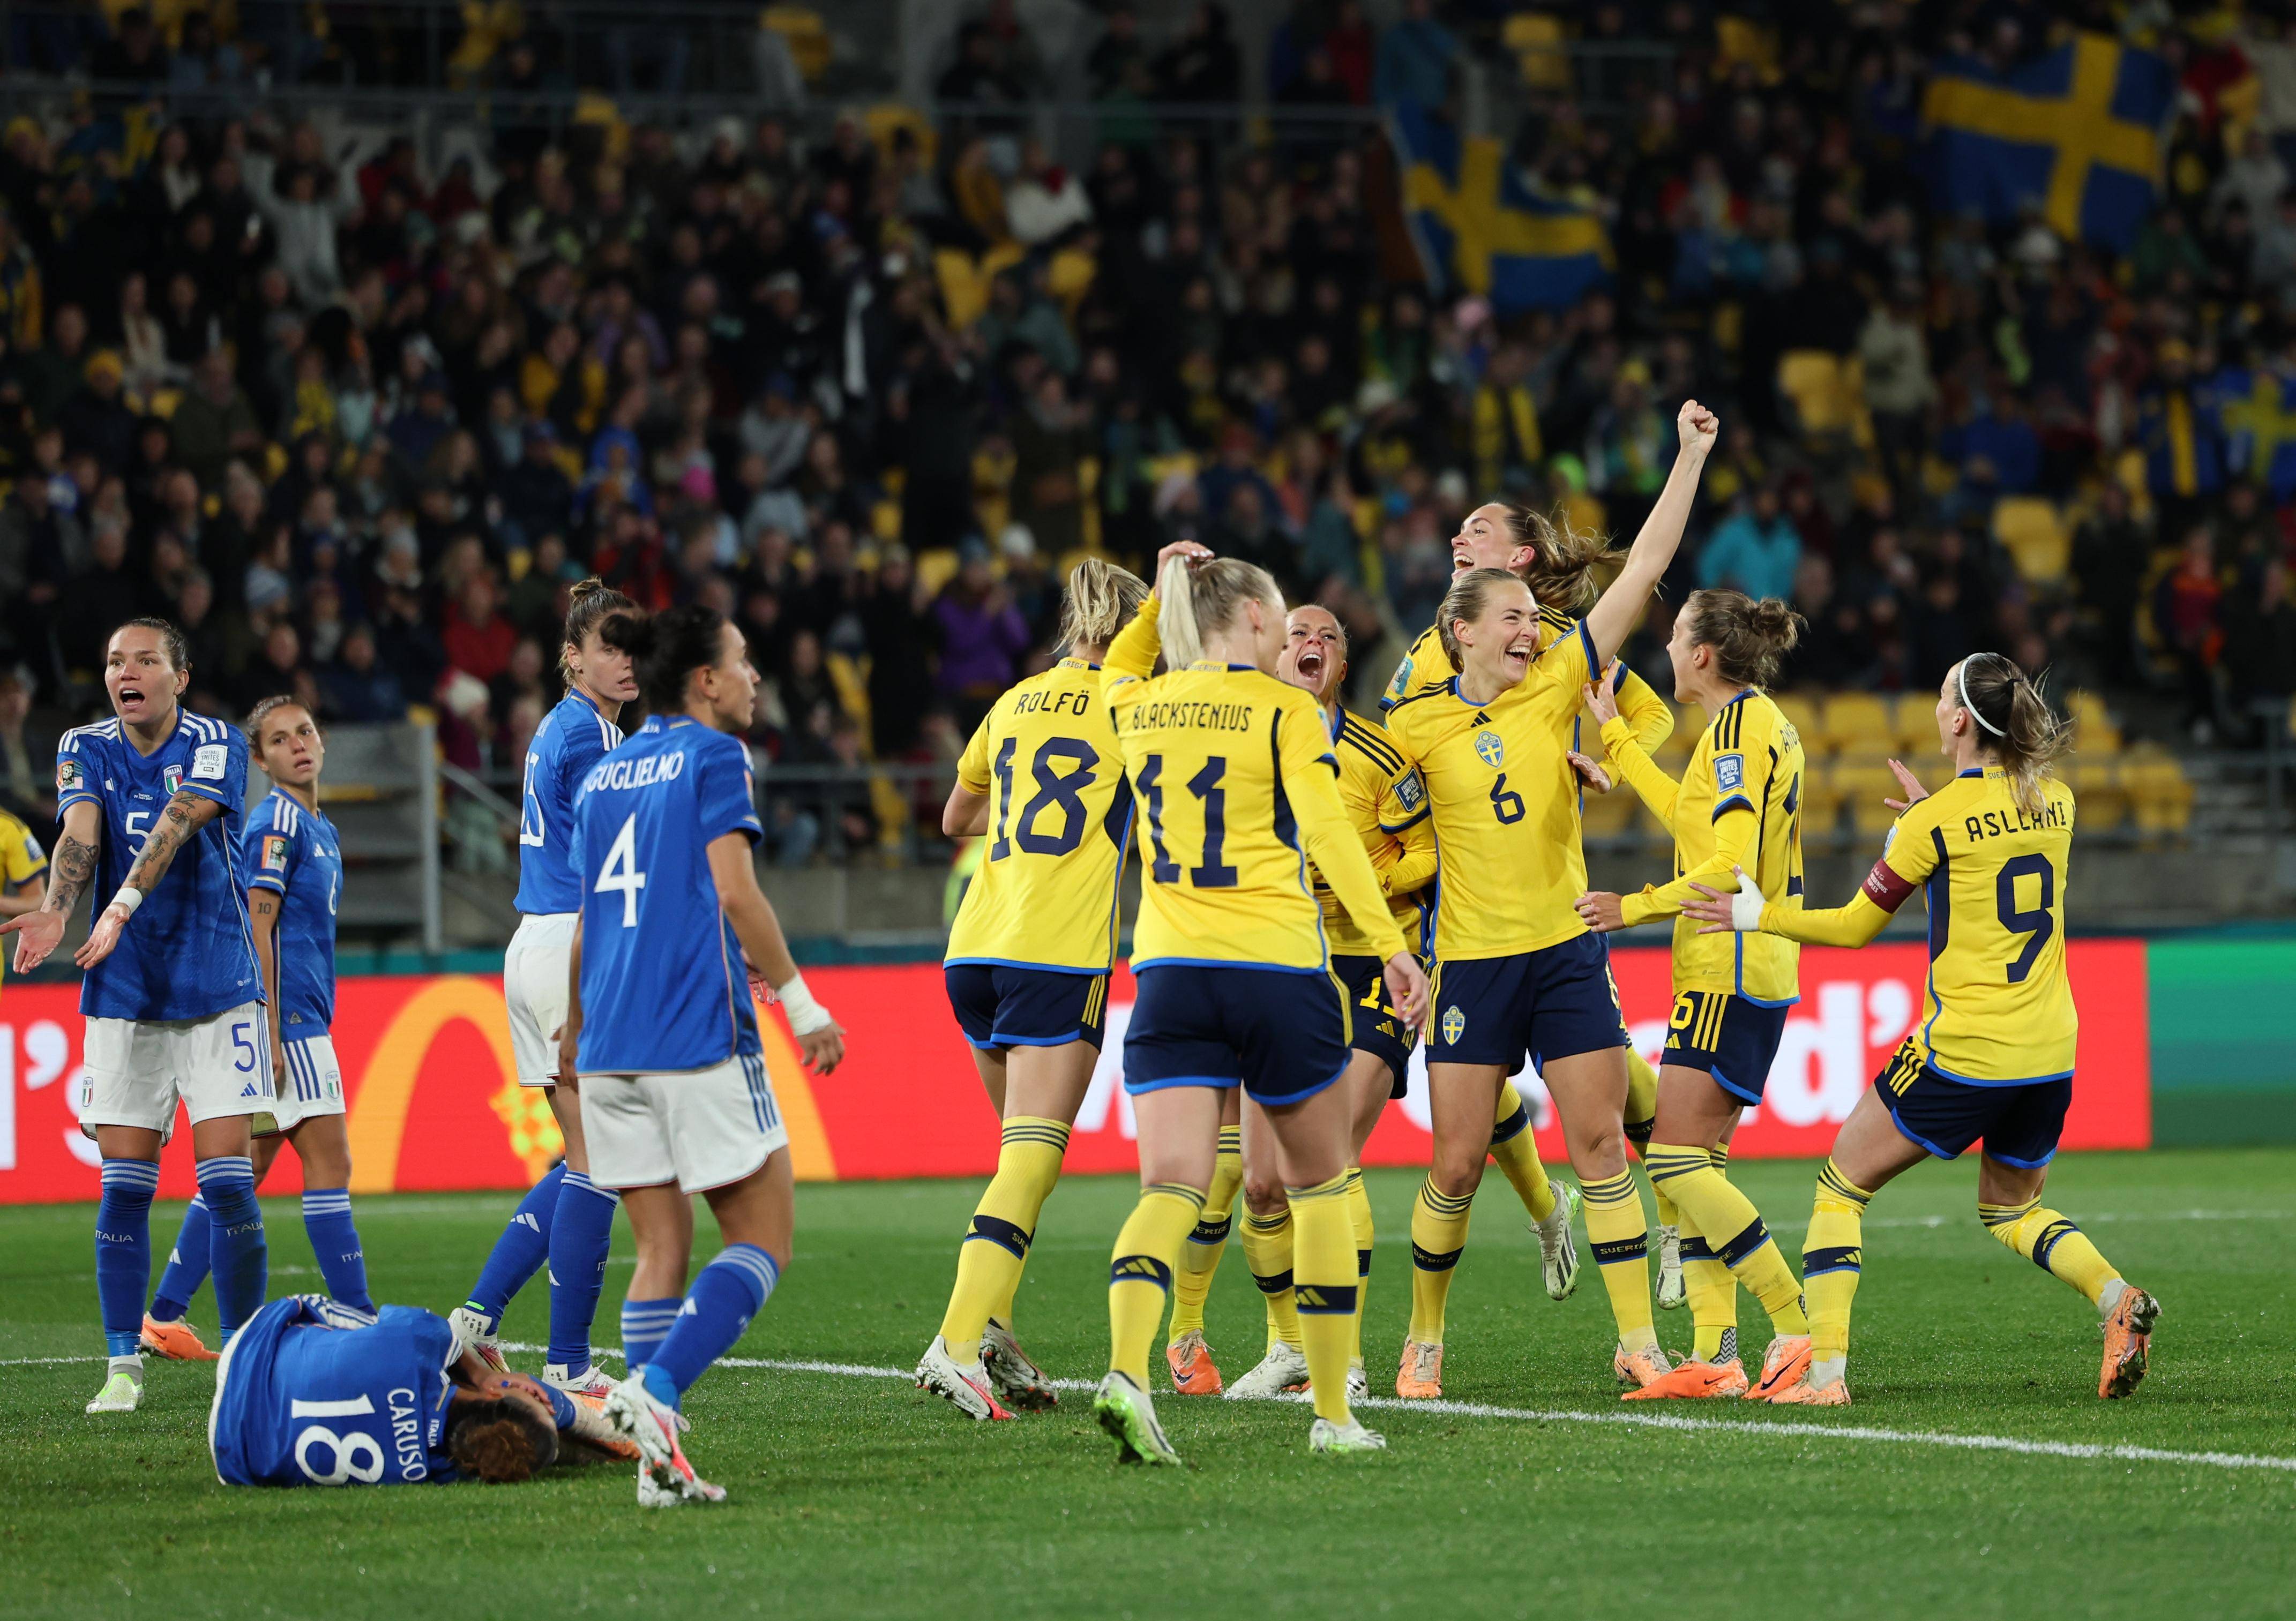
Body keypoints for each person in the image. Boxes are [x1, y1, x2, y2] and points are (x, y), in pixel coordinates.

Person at [1682, 653, 2159, 1406]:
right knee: (2013, 1207)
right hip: (2050, 1049)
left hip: (1967, 1048)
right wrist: (1925, 823)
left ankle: (1826, 1376)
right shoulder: (2058, 802)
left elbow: (1851, 927)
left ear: (1962, 720)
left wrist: (1754, 913)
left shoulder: (1935, 822)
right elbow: (1989, 839)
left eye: (1941, 696)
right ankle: (2114, 1299)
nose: (1934, 709)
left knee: (1841, 1184)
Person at [1383, 401, 1717, 1395]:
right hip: (1473, 962)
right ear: (1464, 634)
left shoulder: (1562, 671)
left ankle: (1639, 1348)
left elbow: (1647, 570)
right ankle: (1424, 1341)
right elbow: (1359, 817)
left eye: (1536, 619)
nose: (1540, 631)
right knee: (1451, 1165)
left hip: (1567, 947)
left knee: (1602, 1141)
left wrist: (1689, 458)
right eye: (1519, 622)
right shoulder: (1414, 722)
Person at [1171, 604, 1581, 1405]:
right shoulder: (1241, 746)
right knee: (1257, 1179)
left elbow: (1428, 849)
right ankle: (1283, 1346)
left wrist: (1358, 881)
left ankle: (1345, 1359)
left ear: (1342, 661)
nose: (1309, 645)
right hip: (1276, 963)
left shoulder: (1375, 753)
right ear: (1270, 651)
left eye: (1325, 636)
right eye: (1295, 635)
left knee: (1323, 1153)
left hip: (1372, 960)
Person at [1089, 542, 1430, 1465]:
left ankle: (1126, 1370)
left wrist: (1163, 591)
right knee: (1319, 1186)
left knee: (1170, 1188)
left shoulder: (1141, 704)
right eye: (1278, 613)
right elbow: (1328, 832)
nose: (1288, 629)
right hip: (1277, 970)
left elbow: (1121, 662)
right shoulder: (1286, 711)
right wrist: (1394, 948)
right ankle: (1333, 1413)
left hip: (1168, 972)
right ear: (1246, 620)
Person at [560, 603, 846, 1506]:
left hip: (609, 1040)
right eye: (744, 662)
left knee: (659, 1247)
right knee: (764, 1234)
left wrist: (572, 1032)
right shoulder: (718, 756)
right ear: (706, 681)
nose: (756, 677)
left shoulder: (603, 774)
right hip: (694, 1031)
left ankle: (657, 1465)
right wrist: (801, 1005)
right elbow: (735, 890)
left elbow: (585, 924)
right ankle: (653, 1390)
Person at [3, 619, 269, 1414]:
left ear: (178, 676)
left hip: (217, 983)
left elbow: (179, 822)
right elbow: (80, 826)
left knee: (227, 1182)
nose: (128, 671)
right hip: (125, 992)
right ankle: (124, 1367)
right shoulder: (83, 743)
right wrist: (57, 906)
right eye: (116, 659)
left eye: (146, 659)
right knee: (124, 1187)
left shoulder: (215, 740)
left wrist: (115, 907)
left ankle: (247, 1357)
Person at [915, 559, 1151, 1422]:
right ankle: (953, 1337)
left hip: (975, 945)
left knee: (1019, 1158)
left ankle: (995, 1329)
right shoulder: (1131, 705)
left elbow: (954, 817)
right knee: (1033, 1157)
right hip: (1057, 950)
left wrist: (1022, 814)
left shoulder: (1013, 699)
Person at [1574, 590, 1815, 1401]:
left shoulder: (1742, 733)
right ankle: (1716, 1354)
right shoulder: (1752, 724)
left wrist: (1631, 906)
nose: (1667, 649)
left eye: (1676, 637)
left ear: (1704, 653)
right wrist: (1613, 735)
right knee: (1697, 1162)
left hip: (1729, 970)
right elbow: (1691, 818)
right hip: (1748, 969)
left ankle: (1792, 1323)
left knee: (1675, 1159)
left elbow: (1729, 864)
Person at [449, 581, 637, 1409]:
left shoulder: (562, 727)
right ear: (572, 656)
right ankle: (566, 1360)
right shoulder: (592, 737)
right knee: (605, 1161)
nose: (627, 661)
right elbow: (614, 864)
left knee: (580, 1157)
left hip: (532, 940)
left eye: (635, 646)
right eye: (610, 646)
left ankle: (477, 1315)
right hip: (570, 943)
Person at [142, 698, 369, 1362]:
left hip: (301, 1013)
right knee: (331, 1162)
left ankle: (164, 1315)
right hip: (287, 1016)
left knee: (248, 1164)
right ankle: (358, 1314)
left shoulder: (318, 825)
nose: (297, 744)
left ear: (321, 740)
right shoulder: (275, 822)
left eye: (304, 731)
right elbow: (257, 925)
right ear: (262, 760)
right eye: (278, 739)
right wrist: (267, 1029)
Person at [211, 1294, 635, 1487]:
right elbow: (518, 1448)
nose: (536, 1391)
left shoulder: (417, 1339)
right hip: (235, 1454)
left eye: (532, 1396)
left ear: (495, 1397)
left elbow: (431, 1340)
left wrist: (485, 1374)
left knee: (357, 1328)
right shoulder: (436, 1469)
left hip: (251, 1348)